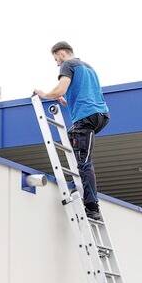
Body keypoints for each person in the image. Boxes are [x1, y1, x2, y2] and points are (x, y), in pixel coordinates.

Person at [34, 41, 110, 221]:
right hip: (101, 115)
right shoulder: (88, 67)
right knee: (73, 138)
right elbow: (86, 94)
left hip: (85, 117)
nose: (57, 63)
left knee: (84, 162)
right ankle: (81, 184)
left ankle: (92, 206)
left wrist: (44, 94)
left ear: (61, 53)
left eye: (56, 59)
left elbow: (61, 87)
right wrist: (65, 100)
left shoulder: (68, 64)